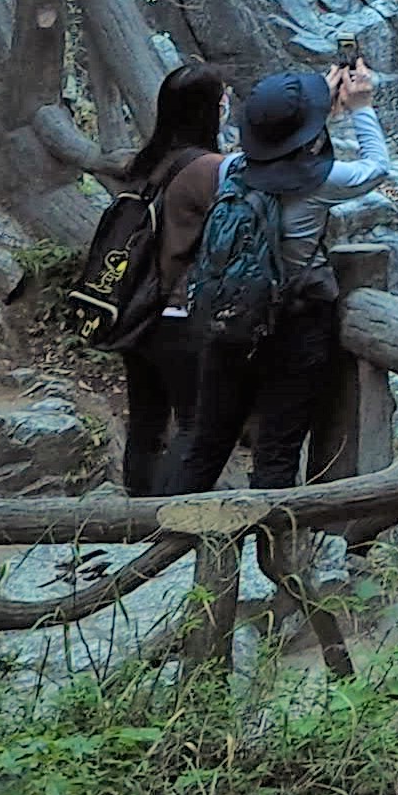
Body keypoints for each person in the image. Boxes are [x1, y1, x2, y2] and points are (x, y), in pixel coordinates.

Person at [164, 66, 375, 495]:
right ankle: (274, 557)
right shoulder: (324, 182)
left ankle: (162, 548)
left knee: (206, 443)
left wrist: (312, 112)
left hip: (230, 320)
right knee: (277, 449)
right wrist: (362, 108)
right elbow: (376, 168)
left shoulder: (229, 171)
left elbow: (279, 151)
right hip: (295, 324)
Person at [102, 61, 236, 495]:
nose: (227, 105)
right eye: (222, 100)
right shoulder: (209, 169)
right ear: (208, 111)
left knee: (146, 420)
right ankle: (168, 523)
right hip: (179, 312)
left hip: (136, 309)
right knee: (197, 422)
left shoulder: (148, 162)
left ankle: (137, 520)